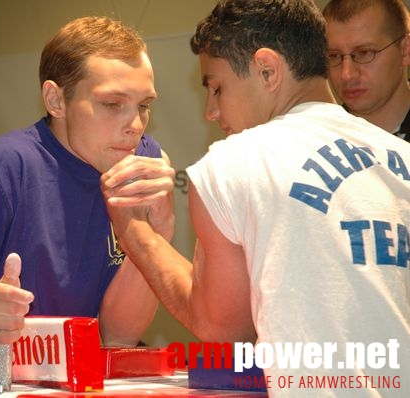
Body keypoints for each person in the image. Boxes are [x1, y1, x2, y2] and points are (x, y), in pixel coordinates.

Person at [102, 0, 409, 396]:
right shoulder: (399, 156)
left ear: (267, 70)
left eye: (216, 87)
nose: (211, 112)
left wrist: (134, 232)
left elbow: (223, 329)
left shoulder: (235, 162)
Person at [0, 16, 175, 377]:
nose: (134, 124)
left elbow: (117, 335)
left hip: (75, 382)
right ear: (56, 100)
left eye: (143, 106)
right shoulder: (6, 166)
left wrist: (154, 236)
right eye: (112, 104)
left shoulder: (141, 163)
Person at [323, 0, 410, 141]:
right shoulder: (315, 140)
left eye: (364, 53)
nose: (347, 75)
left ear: (405, 50)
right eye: (334, 56)